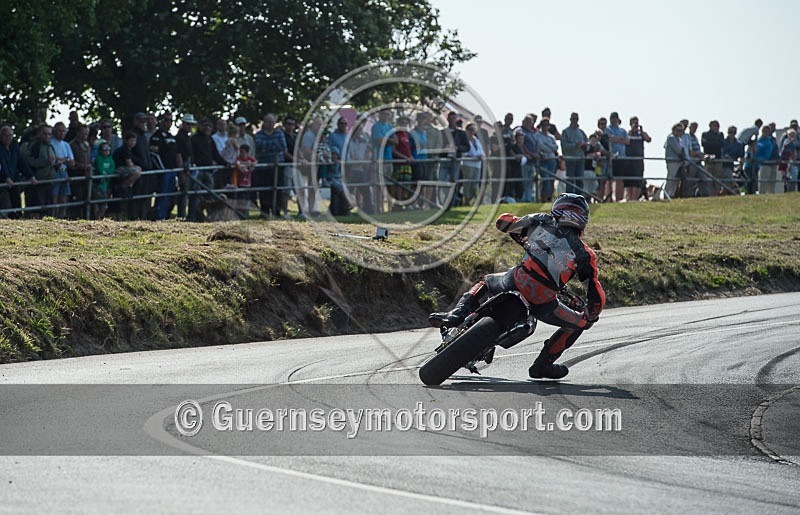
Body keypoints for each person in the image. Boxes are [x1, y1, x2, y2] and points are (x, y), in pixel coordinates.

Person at [429, 193, 605, 379]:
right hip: (543, 301)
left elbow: (502, 222)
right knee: (581, 324)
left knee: (486, 282)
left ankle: (455, 316)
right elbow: (596, 294)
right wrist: (591, 314)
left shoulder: (541, 220)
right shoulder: (585, 254)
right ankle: (543, 365)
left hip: (514, 280)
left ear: (557, 209)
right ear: (583, 219)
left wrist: (516, 228)